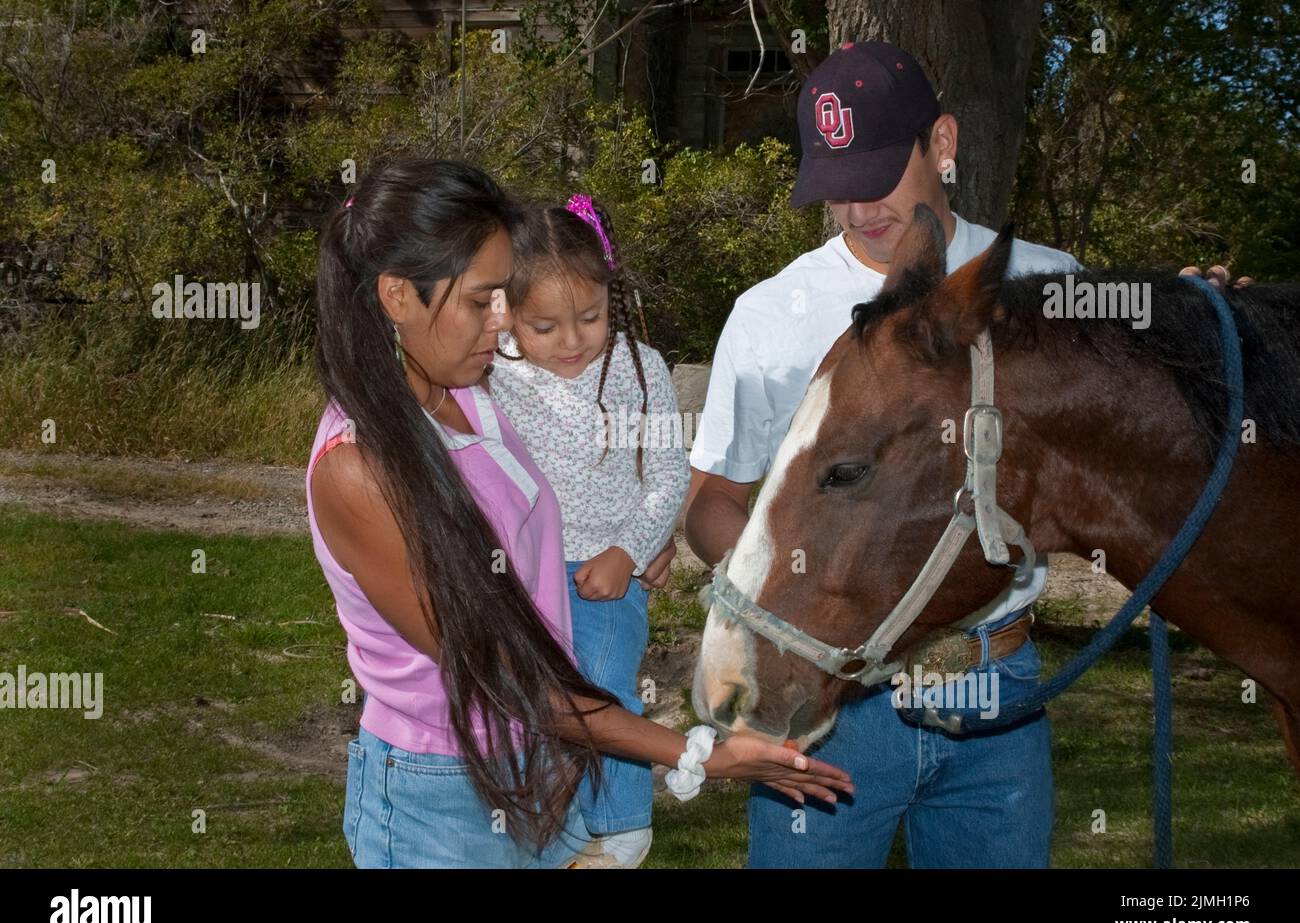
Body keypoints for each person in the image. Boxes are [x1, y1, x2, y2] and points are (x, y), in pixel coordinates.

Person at [307, 155, 852, 868]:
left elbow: (545, 510)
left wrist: (640, 537)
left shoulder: (466, 388)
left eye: (504, 296)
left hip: (536, 771)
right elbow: (511, 680)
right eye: (481, 301)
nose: (500, 324)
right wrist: (701, 752)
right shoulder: (359, 468)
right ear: (396, 297)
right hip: (436, 800)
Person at [685, 41, 1080, 868]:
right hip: (834, 693)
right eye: (834, 185)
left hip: (995, 686)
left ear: (942, 142)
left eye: (877, 170)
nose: (859, 205)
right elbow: (712, 498)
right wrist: (782, 584)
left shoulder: (1050, 287)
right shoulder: (769, 314)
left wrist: (1194, 321)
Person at [488, 196, 691, 868]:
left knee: (599, 681)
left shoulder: (642, 370)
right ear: (507, 313)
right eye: (546, 325)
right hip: (518, 578)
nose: (572, 340)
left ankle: (624, 826)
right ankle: (560, 829)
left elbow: (668, 477)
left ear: (613, 296)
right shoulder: (492, 372)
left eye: (590, 316)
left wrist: (629, 550)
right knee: (532, 711)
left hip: (606, 570)